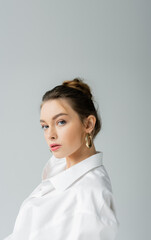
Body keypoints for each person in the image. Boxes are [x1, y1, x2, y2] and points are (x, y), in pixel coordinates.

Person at [3, 78, 120, 240]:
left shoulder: (90, 197)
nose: (50, 135)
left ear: (88, 124)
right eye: (45, 126)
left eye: (61, 122)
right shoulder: (60, 167)